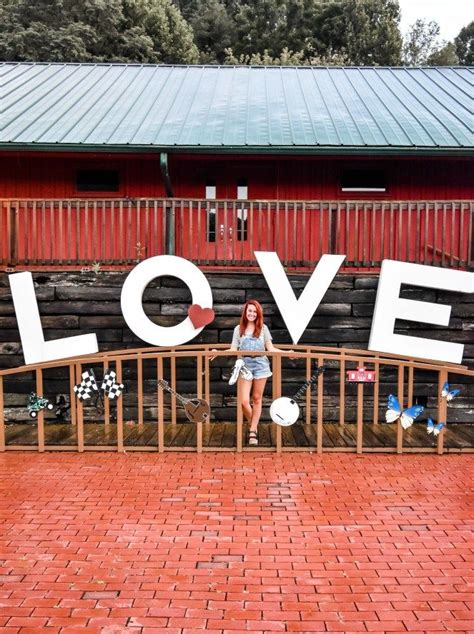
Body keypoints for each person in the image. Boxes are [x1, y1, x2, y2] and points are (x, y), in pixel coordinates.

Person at [228, 300, 285, 446]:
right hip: (244, 365)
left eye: (255, 311)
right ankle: (253, 423)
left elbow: (270, 348)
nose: (252, 314)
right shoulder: (238, 329)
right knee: (244, 401)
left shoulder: (263, 328)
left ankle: (252, 431)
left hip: (261, 364)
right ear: (245, 312)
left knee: (257, 398)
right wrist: (217, 352)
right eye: (249, 311)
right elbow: (234, 349)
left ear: (258, 313)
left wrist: (287, 352)